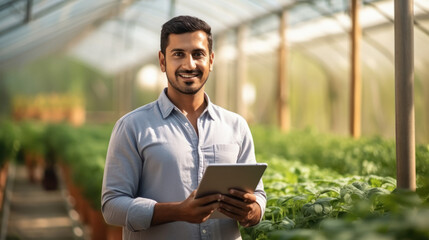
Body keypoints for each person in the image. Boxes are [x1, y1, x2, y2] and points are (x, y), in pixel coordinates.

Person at [101, 15, 266, 240]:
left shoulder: (236, 126)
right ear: (162, 61)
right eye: (178, 54)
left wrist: (252, 211)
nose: (189, 64)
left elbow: (258, 196)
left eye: (198, 54)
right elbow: (112, 206)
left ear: (211, 60)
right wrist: (177, 211)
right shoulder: (132, 126)